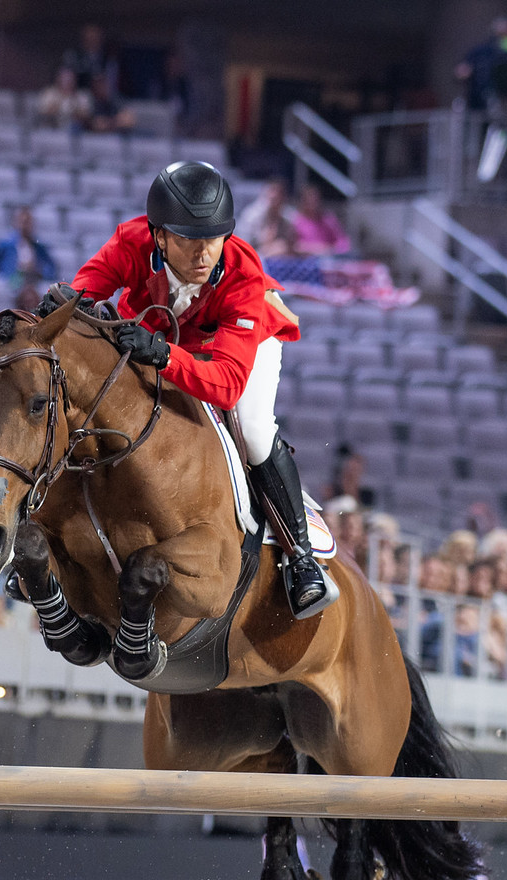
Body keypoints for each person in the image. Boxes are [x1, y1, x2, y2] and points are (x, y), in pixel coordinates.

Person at [51, 160, 331, 616]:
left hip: (240, 346)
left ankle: (300, 556)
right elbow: (85, 289)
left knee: (253, 430)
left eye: (213, 240)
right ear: (159, 236)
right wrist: (65, 301)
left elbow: (226, 385)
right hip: (164, 333)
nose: (203, 255)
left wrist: (165, 356)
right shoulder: (131, 241)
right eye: (188, 241)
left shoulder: (242, 273)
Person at [0, 207, 56, 285]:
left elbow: (51, 269)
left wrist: (38, 269)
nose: (24, 226)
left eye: (27, 223)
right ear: (15, 223)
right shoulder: (6, 245)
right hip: (10, 283)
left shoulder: (39, 248)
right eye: (22, 222)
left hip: (32, 283)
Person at [287, 183, 349, 255]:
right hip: (304, 259)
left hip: (328, 258)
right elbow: (293, 246)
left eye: (315, 198)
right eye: (309, 198)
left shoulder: (329, 220)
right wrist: (318, 248)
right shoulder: (296, 221)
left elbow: (342, 242)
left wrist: (334, 249)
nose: (313, 201)